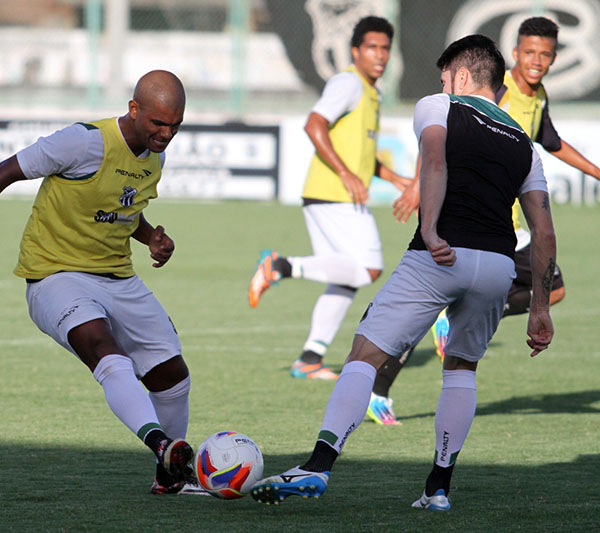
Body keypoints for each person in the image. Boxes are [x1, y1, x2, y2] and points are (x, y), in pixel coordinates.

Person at [251, 34, 556, 511]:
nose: (441, 84)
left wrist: (431, 230)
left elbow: (434, 159)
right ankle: (437, 489)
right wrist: (540, 307)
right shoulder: (523, 142)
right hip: (498, 266)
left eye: (443, 77)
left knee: (364, 354)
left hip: (441, 256)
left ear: (459, 76)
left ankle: (317, 465)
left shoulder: (440, 105)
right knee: (461, 370)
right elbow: (544, 231)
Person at [0, 70, 203, 495]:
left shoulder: (154, 156)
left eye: (175, 126)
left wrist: (152, 238)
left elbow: (121, 210)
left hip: (116, 276)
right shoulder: (85, 141)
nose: (166, 134)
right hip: (55, 275)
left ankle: (169, 477)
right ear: (134, 110)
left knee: (172, 373)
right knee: (103, 347)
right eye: (158, 124)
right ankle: (162, 445)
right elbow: (9, 170)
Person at [367, 16, 598, 426]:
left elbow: (552, 142)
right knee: (436, 305)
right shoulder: (497, 93)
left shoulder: (538, 96)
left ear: (554, 59)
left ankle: (399, 369)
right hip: (484, 222)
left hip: (512, 228)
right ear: (515, 54)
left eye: (544, 54)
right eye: (529, 52)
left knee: (552, 290)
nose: (536, 61)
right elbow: (447, 128)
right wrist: (421, 187)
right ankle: (379, 390)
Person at [248, 16, 411, 381]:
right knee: (368, 269)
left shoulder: (372, 92)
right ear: (355, 51)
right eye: (372, 47)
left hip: (329, 192)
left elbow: (361, 154)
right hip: (332, 192)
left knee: (345, 279)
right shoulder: (348, 83)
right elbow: (314, 123)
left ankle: (309, 358)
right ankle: (280, 266)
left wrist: (396, 177)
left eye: (385, 47)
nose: (380, 55)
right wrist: (345, 173)